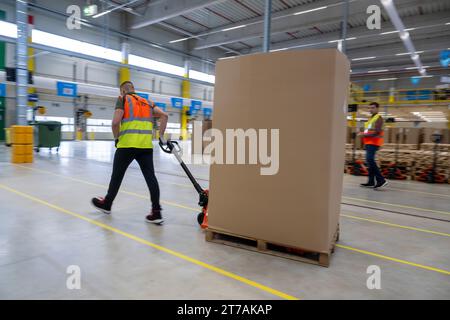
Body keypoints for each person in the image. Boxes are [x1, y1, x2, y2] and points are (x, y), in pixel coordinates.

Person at [91, 81, 169, 224]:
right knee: (151, 178)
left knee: (117, 176)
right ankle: (156, 212)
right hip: (145, 147)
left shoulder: (123, 99)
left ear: (122, 91)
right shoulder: (147, 102)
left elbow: (115, 123)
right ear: (134, 89)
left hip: (126, 145)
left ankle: (107, 204)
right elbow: (164, 116)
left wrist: (116, 139)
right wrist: (161, 137)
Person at [358, 102, 388, 190]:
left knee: (370, 160)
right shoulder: (371, 119)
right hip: (368, 142)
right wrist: (364, 135)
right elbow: (369, 131)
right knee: (369, 162)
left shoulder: (378, 118)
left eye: (373, 107)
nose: (371, 109)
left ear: (377, 108)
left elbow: (377, 132)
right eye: (369, 108)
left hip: (374, 142)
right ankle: (371, 181)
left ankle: (381, 180)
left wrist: (363, 134)